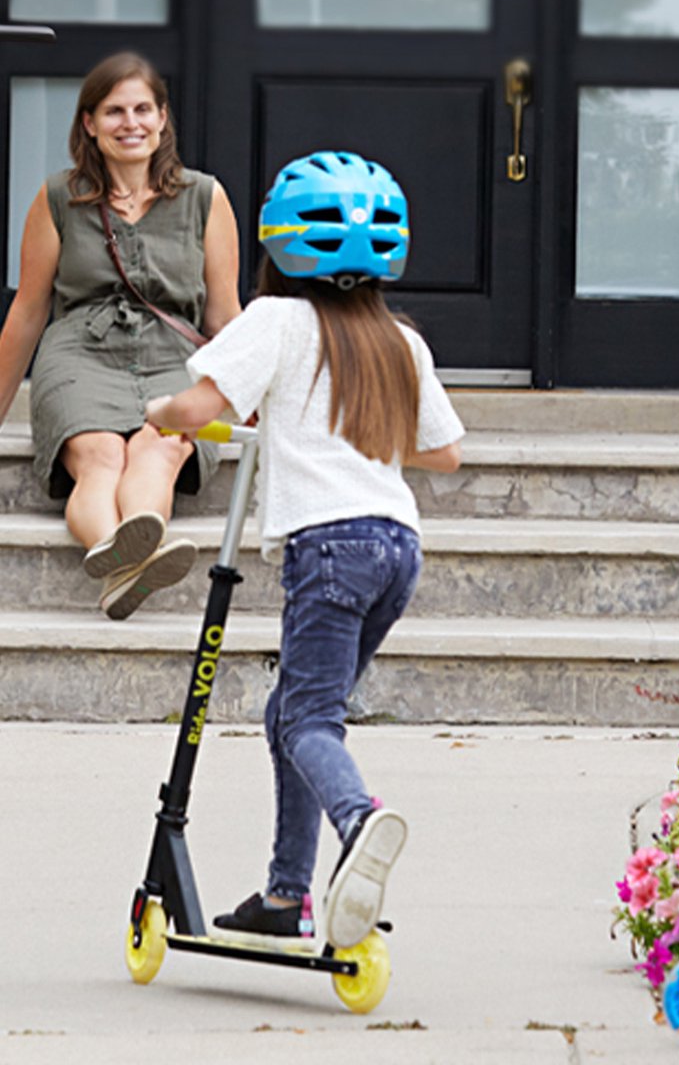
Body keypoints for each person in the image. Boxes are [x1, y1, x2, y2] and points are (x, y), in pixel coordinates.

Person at [145, 150, 464, 951]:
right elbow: (444, 454)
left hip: (329, 546)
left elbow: (199, 404)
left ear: (279, 244)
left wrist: (160, 411)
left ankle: (360, 824)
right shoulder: (399, 340)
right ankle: (287, 895)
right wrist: (335, 432)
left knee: (307, 719)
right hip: (397, 545)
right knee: (292, 713)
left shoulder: (278, 321)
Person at [0, 51, 240, 619]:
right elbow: (29, 313)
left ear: (162, 119)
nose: (129, 123)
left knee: (160, 448)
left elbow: (226, 317)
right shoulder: (58, 197)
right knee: (102, 454)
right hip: (81, 353)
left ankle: (122, 571)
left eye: (141, 110)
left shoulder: (206, 197)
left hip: (174, 355)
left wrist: (252, 405)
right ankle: (129, 561)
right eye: (113, 111)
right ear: (89, 123)